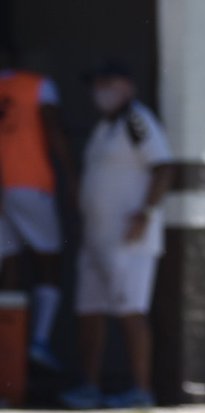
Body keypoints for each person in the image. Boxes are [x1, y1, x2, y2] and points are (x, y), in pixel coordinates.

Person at [59, 60, 173, 410]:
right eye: (97, 83)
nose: (100, 90)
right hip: (97, 238)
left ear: (126, 86)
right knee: (89, 311)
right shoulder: (103, 128)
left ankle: (141, 390)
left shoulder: (137, 121)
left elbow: (164, 167)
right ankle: (90, 386)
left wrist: (146, 214)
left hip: (130, 239)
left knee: (130, 311)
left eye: (107, 82)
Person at [0, 44, 77, 372]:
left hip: (3, 188)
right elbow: (55, 131)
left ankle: (9, 352)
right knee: (50, 262)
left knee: (10, 265)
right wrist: (73, 178)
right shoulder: (38, 85)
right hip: (31, 185)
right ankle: (38, 340)